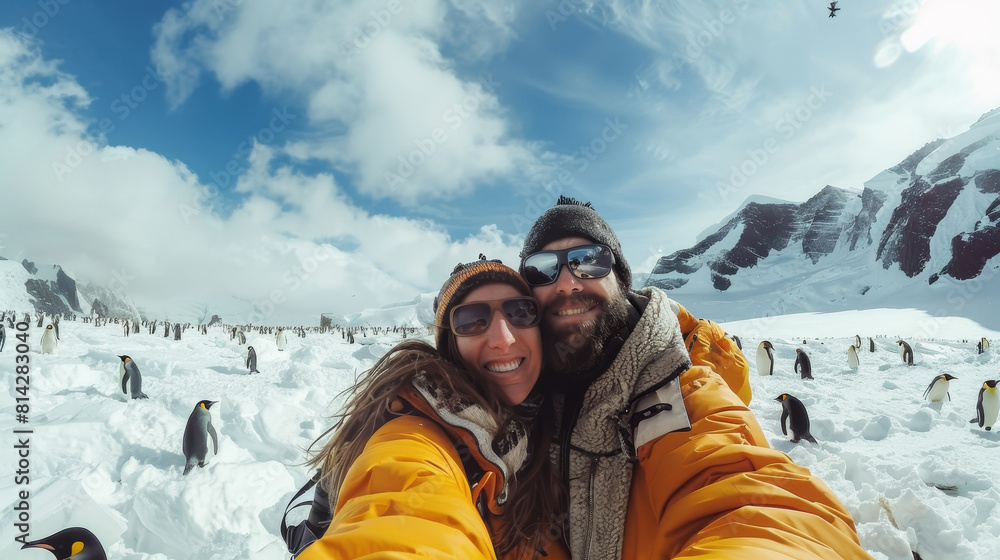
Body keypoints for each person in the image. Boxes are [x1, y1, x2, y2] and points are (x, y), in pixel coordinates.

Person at [518, 196, 872, 559]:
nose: (567, 283)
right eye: (542, 268)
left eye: (589, 260)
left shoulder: (679, 391)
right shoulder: (508, 406)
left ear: (622, 279)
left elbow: (753, 503)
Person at [297, 258, 568, 560]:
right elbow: (404, 514)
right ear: (450, 345)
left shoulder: (564, 425)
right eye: (473, 320)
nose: (504, 340)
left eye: (520, 312)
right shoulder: (417, 435)